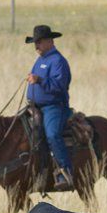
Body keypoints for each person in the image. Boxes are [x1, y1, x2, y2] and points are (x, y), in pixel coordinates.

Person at [26, 25, 73, 190]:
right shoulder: (41, 60)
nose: (36, 46)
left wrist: (39, 80)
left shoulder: (58, 61)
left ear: (49, 41)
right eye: (35, 42)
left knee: (53, 135)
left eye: (39, 42)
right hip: (35, 107)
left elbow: (60, 86)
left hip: (54, 107)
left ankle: (65, 171)